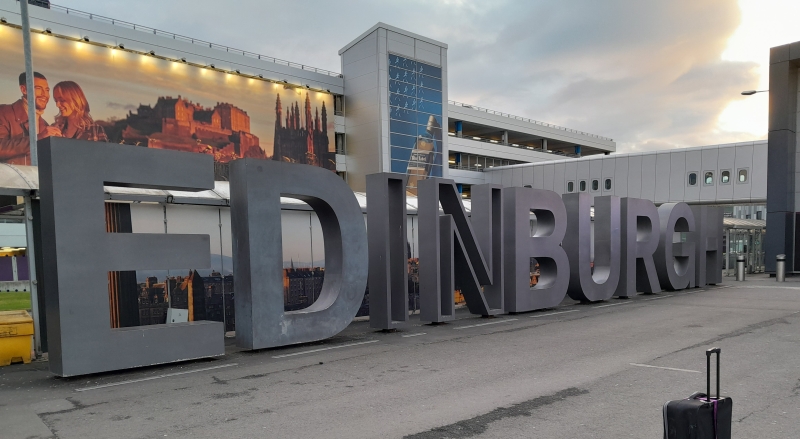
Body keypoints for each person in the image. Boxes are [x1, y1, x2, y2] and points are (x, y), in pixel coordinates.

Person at [0, 72, 62, 164]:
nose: (44, 94)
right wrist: (39, 138)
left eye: (47, 90)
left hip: (33, 178)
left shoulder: (45, 125)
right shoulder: (4, 112)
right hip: (9, 177)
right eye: (38, 88)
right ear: (24, 89)